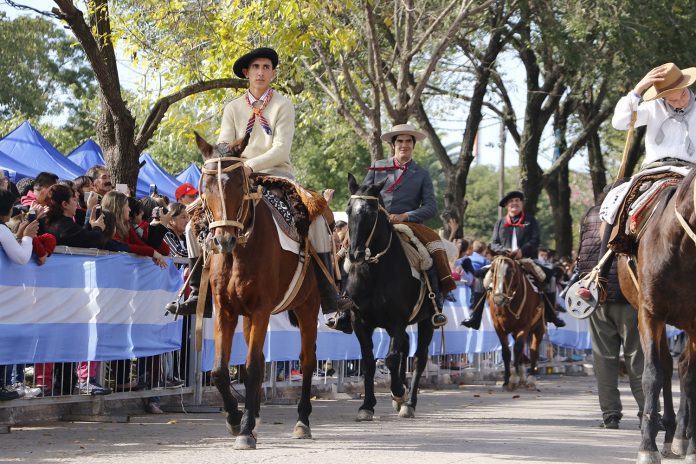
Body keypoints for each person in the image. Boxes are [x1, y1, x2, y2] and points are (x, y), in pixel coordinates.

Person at [166, 47, 354, 329]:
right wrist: (231, 168)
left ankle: (330, 295)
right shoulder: (232, 108)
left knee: (315, 219)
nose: (261, 72)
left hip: (276, 175)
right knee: (194, 223)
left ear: (273, 73)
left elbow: (281, 149)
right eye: (256, 67)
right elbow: (224, 146)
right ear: (247, 72)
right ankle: (197, 295)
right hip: (236, 178)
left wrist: (250, 166)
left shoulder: (283, 105)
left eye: (267, 67)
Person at [577, 63, 696, 302]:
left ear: (687, 86)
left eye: (682, 94)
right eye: (672, 99)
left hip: (690, 173)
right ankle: (599, 275)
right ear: (662, 97)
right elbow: (619, 122)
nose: (680, 101)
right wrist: (637, 91)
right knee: (614, 198)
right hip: (654, 170)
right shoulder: (652, 108)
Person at [336, 123, 456, 330]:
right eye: (400, 141)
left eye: (408, 141)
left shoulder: (422, 174)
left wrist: (406, 215)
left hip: (407, 224)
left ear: (413, 145)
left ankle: (436, 306)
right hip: (375, 223)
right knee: (343, 255)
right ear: (393, 145)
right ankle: (344, 309)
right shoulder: (377, 166)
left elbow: (430, 207)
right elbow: (363, 194)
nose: (404, 145)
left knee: (432, 252)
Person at [577, 203, 645, 429]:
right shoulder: (632, 210)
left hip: (596, 295)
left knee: (604, 359)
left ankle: (610, 414)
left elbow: (581, 255)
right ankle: (647, 411)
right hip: (628, 297)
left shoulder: (589, 215)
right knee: (637, 357)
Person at [461, 191, 565, 329]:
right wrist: (504, 251)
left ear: (521, 204)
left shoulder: (530, 220)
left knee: (549, 277)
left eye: (517, 200)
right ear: (506, 206)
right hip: (503, 261)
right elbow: (493, 243)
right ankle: (475, 316)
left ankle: (551, 314)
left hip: (527, 260)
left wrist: (522, 250)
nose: (514, 203)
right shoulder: (500, 223)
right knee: (480, 277)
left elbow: (535, 240)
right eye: (511, 202)